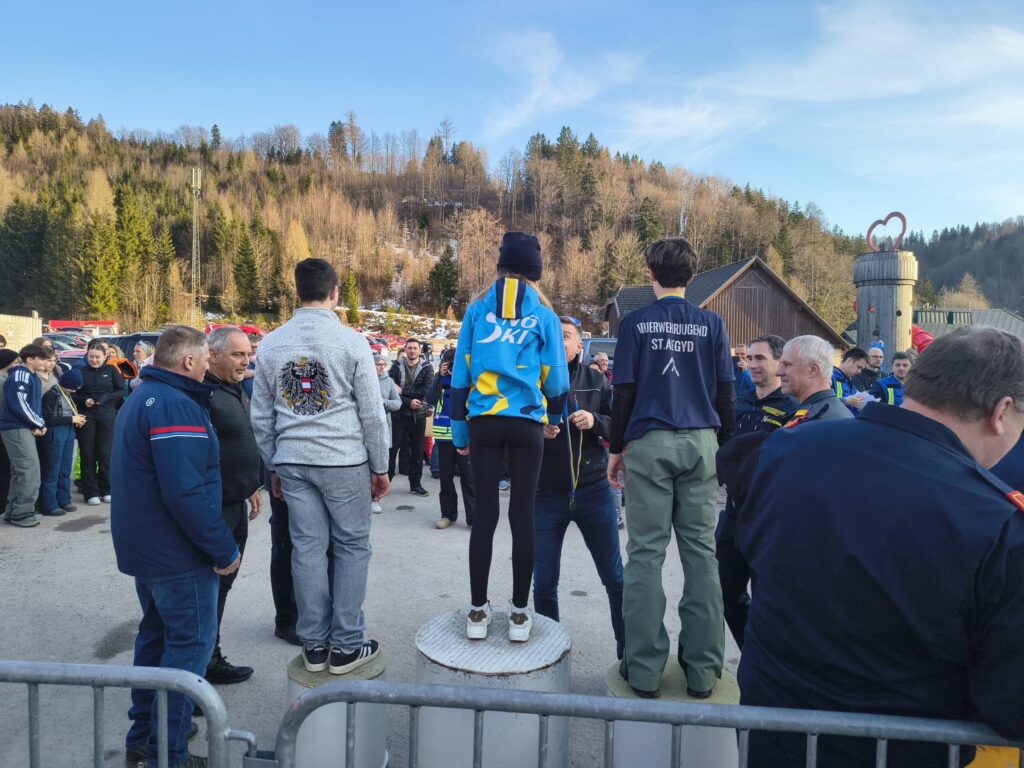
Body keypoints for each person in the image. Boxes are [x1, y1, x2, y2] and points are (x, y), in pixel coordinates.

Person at [737, 326, 1024, 767]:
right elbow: (1009, 702)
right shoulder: (997, 521)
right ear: (1002, 410)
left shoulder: (788, 447)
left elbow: (747, 555)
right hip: (899, 752)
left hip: (773, 737)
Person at [606, 237, 735, 699]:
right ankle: (703, 672)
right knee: (701, 554)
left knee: (645, 554)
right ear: (692, 277)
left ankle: (643, 670)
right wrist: (724, 448)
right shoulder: (712, 324)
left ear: (650, 274)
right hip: (701, 441)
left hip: (649, 440)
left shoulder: (635, 323)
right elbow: (726, 392)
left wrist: (616, 448)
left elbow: (623, 390)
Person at [251, 257, 390, 675]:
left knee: (307, 548)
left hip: (293, 459)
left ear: (295, 293)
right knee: (351, 546)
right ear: (335, 294)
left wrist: (274, 463)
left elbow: (261, 416)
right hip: (343, 458)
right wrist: (380, 466)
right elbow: (372, 413)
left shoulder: (271, 344)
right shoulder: (352, 342)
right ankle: (346, 645)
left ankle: (313, 644)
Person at [111, 326, 241, 768]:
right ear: (188, 361)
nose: (207, 365)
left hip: (150, 551)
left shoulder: (146, 395)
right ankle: (169, 754)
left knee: (156, 642)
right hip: (177, 556)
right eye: (205, 358)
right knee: (188, 651)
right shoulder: (175, 405)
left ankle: (145, 740)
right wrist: (223, 548)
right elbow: (184, 492)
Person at [451, 231, 569, 643]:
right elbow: (556, 375)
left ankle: (477, 612)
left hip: (484, 421)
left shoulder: (476, 310)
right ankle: (520, 614)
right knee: (523, 514)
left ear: (500, 267)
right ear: (536, 272)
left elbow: (460, 374)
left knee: (485, 515)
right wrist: (554, 417)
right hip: (526, 423)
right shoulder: (545, 315)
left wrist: (460, 431)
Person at [534, 316, 623, 658]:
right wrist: (537, 431)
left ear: (578, 345)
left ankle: (627, 652)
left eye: (565, 335)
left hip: (594, 490)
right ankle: (550, 653)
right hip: (546, 494)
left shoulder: (597, 381)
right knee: (544, 583)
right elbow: (514, 429)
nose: (558, 341)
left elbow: (620, 426)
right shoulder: (532, 381)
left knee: (615, 578)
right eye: (553, 335)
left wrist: (595, 421)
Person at [714, 335, 797, 648]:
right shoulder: (738, 400)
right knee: (724, 591)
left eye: (760, 358)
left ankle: (768, 659)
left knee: (769, 599)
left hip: (770, 518)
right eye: (749, 358)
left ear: (779, 362)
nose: (752, 365)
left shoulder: (792, 408)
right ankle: (751, 652)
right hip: (734, 514)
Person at [203, 327, 264, 685]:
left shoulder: (231, 388)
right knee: (208, 589)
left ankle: (209, 658)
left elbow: (237, 441)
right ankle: (196, 670)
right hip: (214, 508)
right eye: (237, 355)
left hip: (236, 501)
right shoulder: (202, 394)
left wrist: (250, 483)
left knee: (223, 586)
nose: (246, 361)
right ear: (212, 355)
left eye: (247, 354)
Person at [425, 346, 475, 528]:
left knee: (468, 480)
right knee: (445, 479)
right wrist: (439, 377)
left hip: (464, 437)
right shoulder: (440, 379)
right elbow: (430, 399)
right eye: (449, 363)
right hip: (443, 437)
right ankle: (448, 515)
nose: (452, 366)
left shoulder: (468, 380)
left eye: (455, 363)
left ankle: (474, 518)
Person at [1, 344, 49, 528]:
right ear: (30, 359)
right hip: (16, 427)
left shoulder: (31, 376)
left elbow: (32, 405)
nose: (46, 362)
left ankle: (14, 510)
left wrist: (37, 423)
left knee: (20, 471)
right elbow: (20, 405)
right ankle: (22, 513)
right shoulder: (21, 375)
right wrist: (39, 423)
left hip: (22, 426)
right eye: (42, 359)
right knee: (29, 471)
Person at [73, 341, 126, 505]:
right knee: (88, 454)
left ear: (105, 357)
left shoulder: (111, 370)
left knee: (105, 454)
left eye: (97, 357)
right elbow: (73, 394)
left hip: (106, 416)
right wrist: (84, 400)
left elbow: (121, 390)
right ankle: (90, 492)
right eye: (91, 357)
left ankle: (107, 489)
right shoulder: (81, 371)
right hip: (87, 416)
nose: (94, 360)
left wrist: (105, 398)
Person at [388, 338, 434, 496]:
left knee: (417, 452)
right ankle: (385, 484)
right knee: (392, 450)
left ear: (420, 350)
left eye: (415, 348)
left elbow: (426, 390)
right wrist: (409, 402)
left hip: (418, 416)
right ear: (405, 349)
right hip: (398, 415)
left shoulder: (427, 368)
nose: (412, 351)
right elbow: (391, 390)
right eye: (409, 348)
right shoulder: (395, 367)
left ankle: (415, 485)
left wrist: (403, 391)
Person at [39, 367, 86, 517]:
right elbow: (48, 418)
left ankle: (64, 500)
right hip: (55, 432)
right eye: (72, 388)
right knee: (52, 468)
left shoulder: (67, 393)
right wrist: (72, 418)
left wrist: (75, 418)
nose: (74, 391)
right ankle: (50, 504)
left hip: (68, 431)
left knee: (65, 468)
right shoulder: (51, 394)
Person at [781, 336, 855, 423]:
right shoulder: (834, 413)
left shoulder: (816, 419)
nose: (778, 372)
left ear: (813, 370)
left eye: (787, 365)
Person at [374, 352, 402, 514]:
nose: (380, 368)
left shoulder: (389, 381)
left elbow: (397, 404)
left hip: (383, 427)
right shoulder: (363, 379)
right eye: (377, 364)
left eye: (382, 365)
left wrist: (383, 402)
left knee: (380, 463)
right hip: (363, 428)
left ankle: (375, 499)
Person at [0, 348, 20, 512]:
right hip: (5, 430)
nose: (17, 365)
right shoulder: (3, 381)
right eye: (15, 362)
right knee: (5, 469)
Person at [831, 346, 868, 414]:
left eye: (861, 369)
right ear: (849, 361)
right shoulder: (829, 376)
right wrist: (846, 401)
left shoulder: (849, 381)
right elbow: (824, 401)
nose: (859, 371)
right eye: (858, 367)